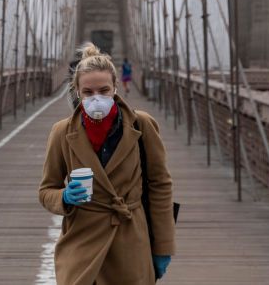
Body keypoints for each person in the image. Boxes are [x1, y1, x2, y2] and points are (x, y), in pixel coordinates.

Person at [39, 44, 176, 284]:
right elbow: (46, 191)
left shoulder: (141, 125)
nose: (96, 98)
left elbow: (160, 185)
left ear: (116, 88)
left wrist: (163, 246)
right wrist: (64, 197)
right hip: (81, 244)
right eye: (88, 92)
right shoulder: (61, 132)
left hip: (129, 243)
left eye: (103, 90)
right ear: (77, 92)